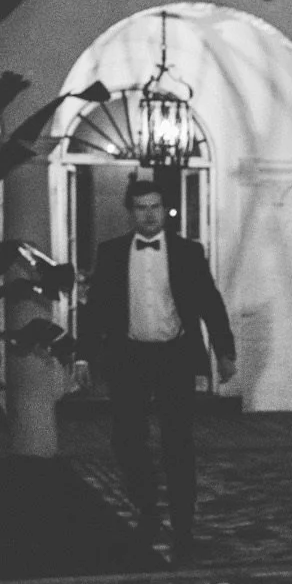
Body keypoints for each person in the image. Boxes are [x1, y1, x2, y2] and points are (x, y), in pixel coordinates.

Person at [79, 179, 235, 561]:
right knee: (127, 440)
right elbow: (96, 308)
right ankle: (147, 509)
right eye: (141, 207)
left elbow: (209, 302)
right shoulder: (112, 252)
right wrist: (83, 356)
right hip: (128, 357)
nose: (149, 214)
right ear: (130, 212)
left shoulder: (188, 252)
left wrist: (224, 352)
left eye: (154, 206)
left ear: (165, 209)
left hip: (174, 357)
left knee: (178, 443)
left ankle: (183, 526)